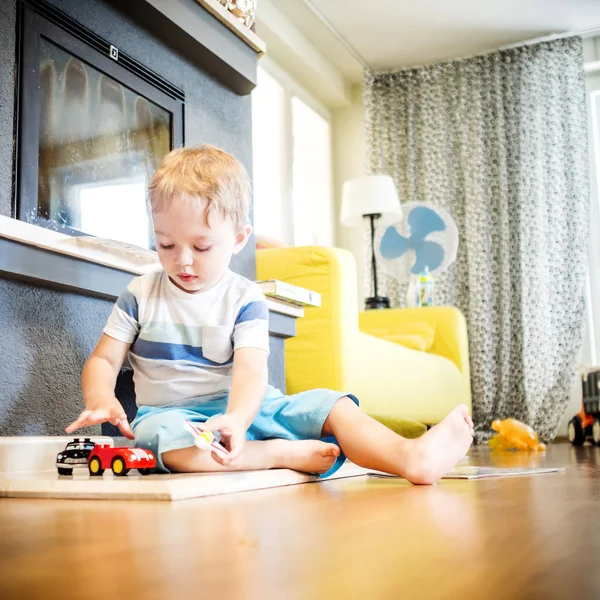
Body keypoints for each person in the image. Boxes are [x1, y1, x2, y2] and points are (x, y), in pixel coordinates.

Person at [66, 145, 473, 484]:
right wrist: (100, 396)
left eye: (202, 247)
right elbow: (104, 358)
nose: (183, 261)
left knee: (331, 406)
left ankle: (409, 457)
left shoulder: (245, 298)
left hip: (250, 408)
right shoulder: (141, 294)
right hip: (175, 418)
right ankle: (277, 454)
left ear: (239, 238)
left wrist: (239, 418)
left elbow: (250, 372)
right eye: (166, 244)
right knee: (157, 439)